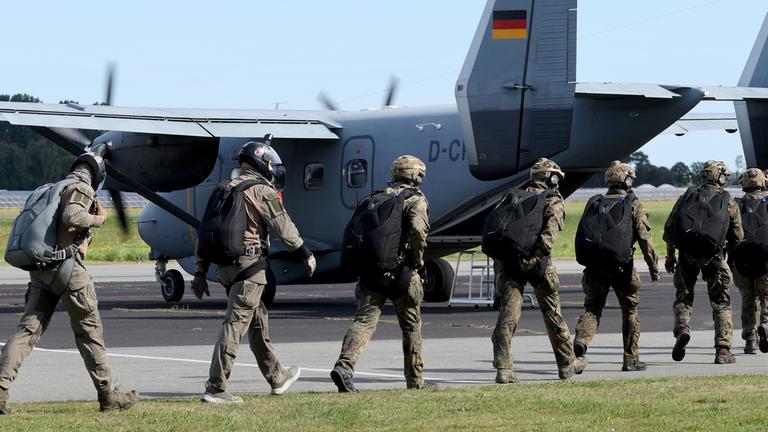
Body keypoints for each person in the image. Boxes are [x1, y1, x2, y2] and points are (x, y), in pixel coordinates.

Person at [0, 153, 138, 414]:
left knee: (26, 333)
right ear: (97, 176)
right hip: (67, 270)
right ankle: (108, 396)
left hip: (41, 271)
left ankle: (0, 390)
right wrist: (99, 220)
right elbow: (73, 217)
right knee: (90, 332)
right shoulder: (82, 189)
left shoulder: (51, 189)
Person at [192, 139, 316, 403]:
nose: (271, 168)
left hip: (226, 269)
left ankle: (277, 377)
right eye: (269, 163)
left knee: (258, 324)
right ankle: (216, 387)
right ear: (262, 162)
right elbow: (284, 227)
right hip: (250, 267)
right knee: (234, 325)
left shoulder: (223, 188)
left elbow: (206, 233)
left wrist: (200, 272)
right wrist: (305, 253)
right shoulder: (262, 190)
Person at [331, 155, 431, 392]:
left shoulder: (374, 197)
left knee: (364, 321)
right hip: (402, 273)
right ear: (415, 176)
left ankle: (344, 366)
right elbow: (418, 230)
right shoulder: (415, 199)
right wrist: (417, 260)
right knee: (411, 326)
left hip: (371, 272)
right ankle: (415, 381)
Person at [487, 158, 586, 384]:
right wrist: (533, 259)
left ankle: (503, 368)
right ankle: (566, 364)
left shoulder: (512, 197)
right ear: (551, 178)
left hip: (509, 265)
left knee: (507, 317)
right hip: (539, 265)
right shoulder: (552, 200)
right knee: (553, 315)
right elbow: (549, 237)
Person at [572, 161, 660, 371]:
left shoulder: (594, 202)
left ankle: (582, 340)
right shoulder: (633, 204)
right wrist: (653, 266)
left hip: (594, 267)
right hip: (623, 268)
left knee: (593, 309)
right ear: (627, 180)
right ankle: (631, 359)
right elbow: (645, 238)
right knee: (630, 310)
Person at [664, 161, 743, 364]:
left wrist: (670, 255)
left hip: (686, 256)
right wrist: (731, 259)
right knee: (721, 303)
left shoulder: (688, 195)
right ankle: (723, 350)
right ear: (720, 177)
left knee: (683, 297)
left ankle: (682, 327)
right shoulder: (728, 200)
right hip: (715, 257)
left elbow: (670, 228)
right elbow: (737, 236)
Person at [731, 168, 768, 354]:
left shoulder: (736, 204)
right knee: (766, 296)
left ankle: (750, 340)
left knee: (747, 298)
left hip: (742, 259)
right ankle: (765, 325)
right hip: (765, 258)